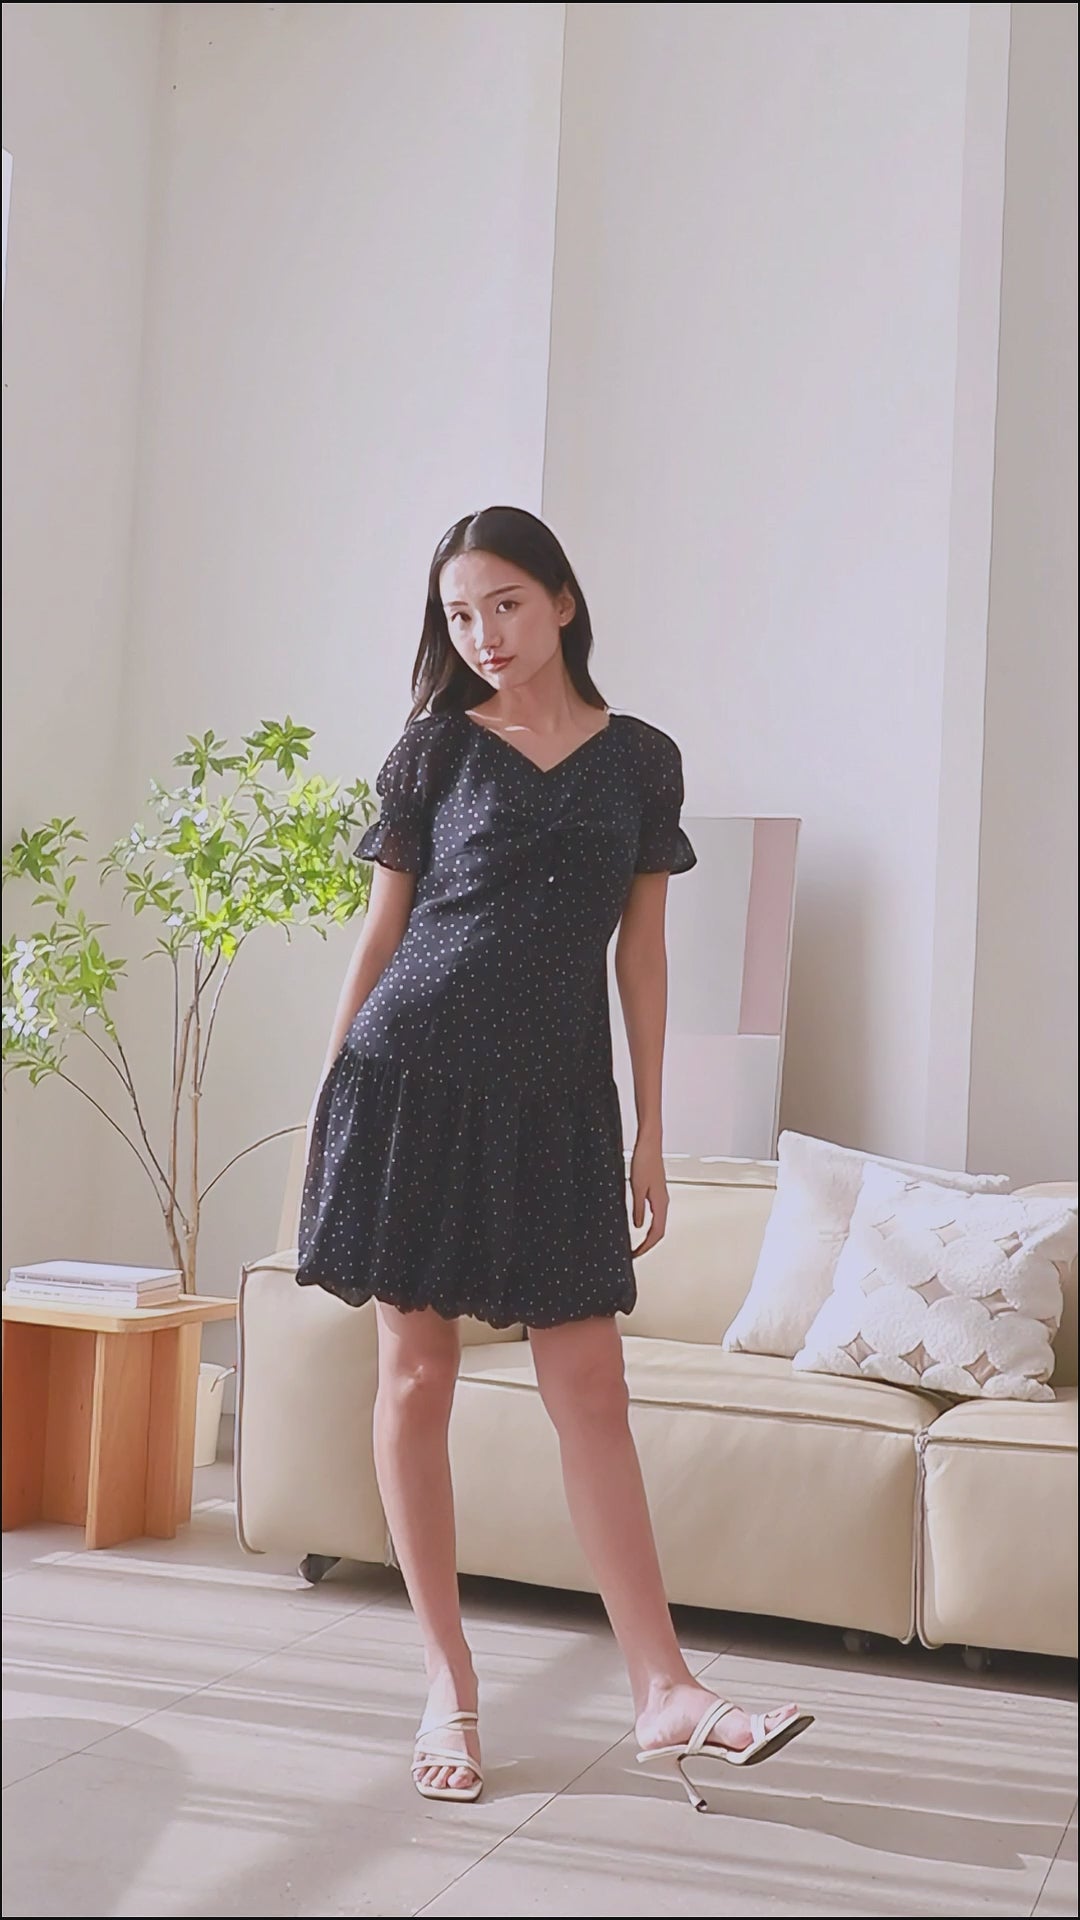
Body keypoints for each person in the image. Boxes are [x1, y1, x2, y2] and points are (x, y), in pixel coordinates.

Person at [297, 507, 812, 1809]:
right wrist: (329, 1094)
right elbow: (382, 934)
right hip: (410, 1079)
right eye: (461, 615)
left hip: (560, 1106)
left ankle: (665, 1690)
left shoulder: (641, 761)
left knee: (592, 1388)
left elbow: (643, 952)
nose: (484, 635)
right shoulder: (432, 751)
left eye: (507, 605)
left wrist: (651, 1127)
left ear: (565, 601)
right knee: (416, 1378)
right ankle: (448, 1684)